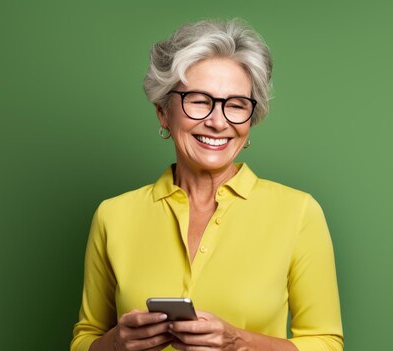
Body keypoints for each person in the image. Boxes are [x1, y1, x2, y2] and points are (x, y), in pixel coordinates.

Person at [71, 19, 343, 351]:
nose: (217, 122)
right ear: (163, 112)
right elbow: (86, 338)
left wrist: (239, 343)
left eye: (236, 105)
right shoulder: (113, 216)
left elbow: (326, 343)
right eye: (199, 100)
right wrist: (115, 343)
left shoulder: (299, 213)